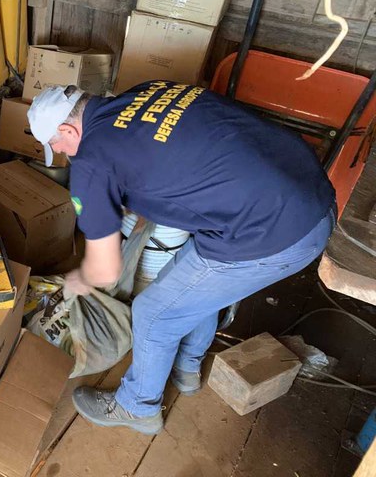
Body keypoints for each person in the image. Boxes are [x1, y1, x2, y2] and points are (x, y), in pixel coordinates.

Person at [27, 81, 335, 435]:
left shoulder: (92, 163)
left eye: (56, 145)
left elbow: (105, 269)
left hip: (276, 233)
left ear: (68, 130)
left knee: (153, 313)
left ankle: (137, 407)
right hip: (311, 189)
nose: (60, 153)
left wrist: (76, 281)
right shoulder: (147, 91)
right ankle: (187, 368)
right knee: (188, 285)